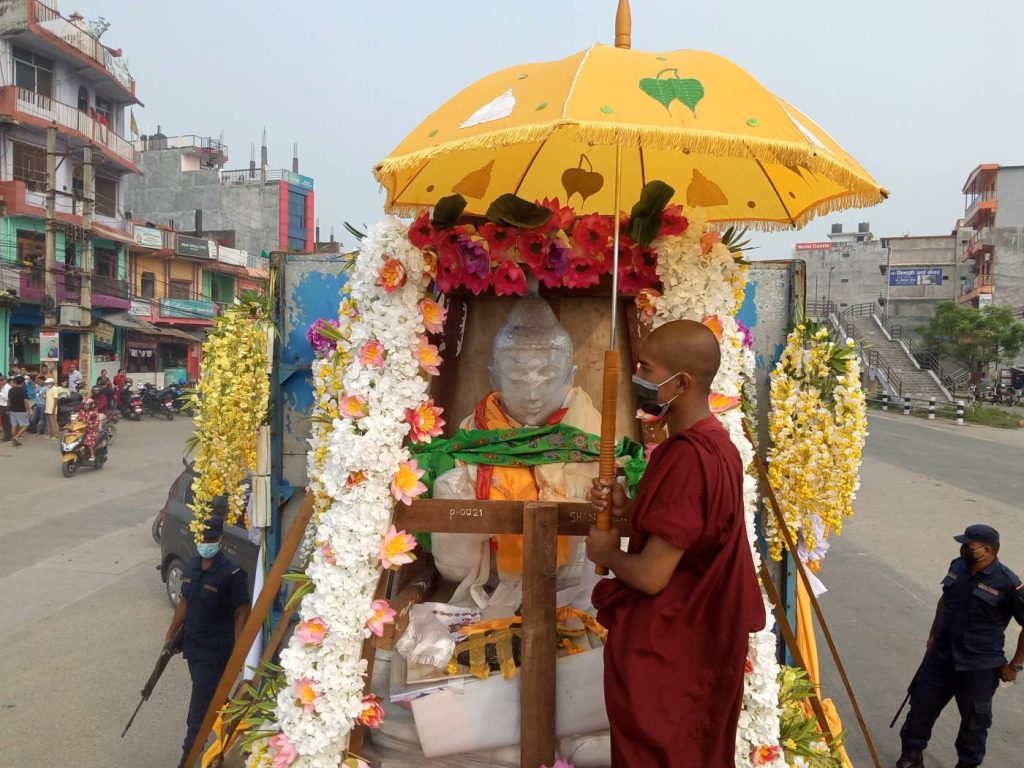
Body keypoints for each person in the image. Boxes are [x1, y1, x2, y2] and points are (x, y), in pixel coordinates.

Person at [586, 319, 765, 768]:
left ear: (681, 383)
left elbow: (651, 576)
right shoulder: (716, 444)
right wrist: (628, 508)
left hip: (674, 649)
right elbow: (691, 532)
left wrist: (607, 553)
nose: (638, 377)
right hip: (701, 642)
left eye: (646, 368)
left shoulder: (688, 457)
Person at [894, 524, 1024, 768]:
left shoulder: (1008, 582)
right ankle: (911, 755)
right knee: (921, 706)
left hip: (979, 665)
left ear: (987, 550)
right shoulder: (958, 567)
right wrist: (933, 634)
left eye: (969, 546)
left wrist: (1015, 665)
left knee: (975, 721)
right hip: (941, 656)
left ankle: (967, 763)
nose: (963, 549)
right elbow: (946, 599)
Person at [163, 512, 250, 766]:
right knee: (214, 700)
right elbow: (184, 602)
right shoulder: (191, 566)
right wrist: (170, 635)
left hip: (215, 653)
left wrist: (239, 653)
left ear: (221, 539)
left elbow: (242, 612)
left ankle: (187, 759)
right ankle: (234, 738)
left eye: (211, 539)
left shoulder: (232, 573)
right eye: (203, 538)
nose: (206, 543)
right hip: (193, 648)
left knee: (198, 712)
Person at [74, 397, 102, 461]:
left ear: (91, 405)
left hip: (92, 431)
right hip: (82, 430)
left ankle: (92, 455)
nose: (85, 406)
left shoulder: (94, 413)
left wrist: (91, 426)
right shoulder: (82, 412)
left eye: (87, 405)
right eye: (84, 405)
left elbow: (96, 423)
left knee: (89, 440)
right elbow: (77, 420)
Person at [7, 375, 31, 447]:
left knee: (14, 425)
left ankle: (15, 440)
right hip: (21, 410)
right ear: (22, 382)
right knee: (26, 425)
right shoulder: (23, 390)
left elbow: (8, 401)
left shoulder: (11, 390)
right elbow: (26, 401)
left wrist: (8, 409)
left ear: (15, 382)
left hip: (12, 410)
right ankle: (16, 437)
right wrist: (29, 410)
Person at [0, 374, 10, 442]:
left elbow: (7, 398)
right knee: (4, 422)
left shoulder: (8, 388)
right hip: (1, 406)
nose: (0, 382)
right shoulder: (2, 387)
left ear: (5, 380)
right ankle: (6, 435)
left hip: (5, 406)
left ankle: (8, 437)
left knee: (6, 422)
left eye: (1, 380)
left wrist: (0, 393)